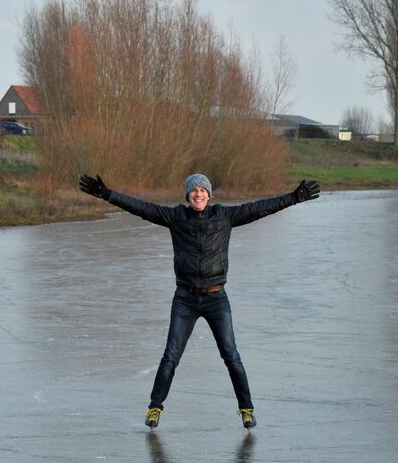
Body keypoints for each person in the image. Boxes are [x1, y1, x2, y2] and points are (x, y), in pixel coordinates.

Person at [79, 173, 320, 429]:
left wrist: (293, 198)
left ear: (209, 194)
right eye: (193, 190)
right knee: (171, 356)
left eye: (202, 190)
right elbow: (142, 208)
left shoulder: (225, 217)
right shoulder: (175, 218)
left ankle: (246, 408)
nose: (198, 194)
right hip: (185, 299)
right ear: (187, 195)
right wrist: (107, 195)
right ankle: (154, 408)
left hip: (216, 298)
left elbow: (260, 208)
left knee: (231, 356)